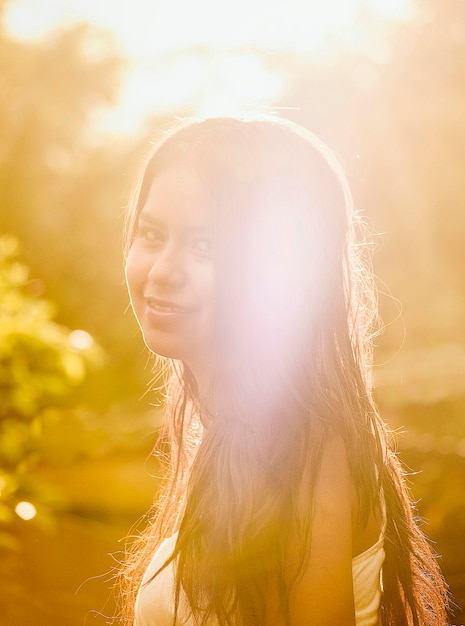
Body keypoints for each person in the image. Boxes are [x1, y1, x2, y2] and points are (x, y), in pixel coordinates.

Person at [119, 116, 448, 625]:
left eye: (205, 246)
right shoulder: (231, 432)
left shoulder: (300, 443)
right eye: (152, 233)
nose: (163, 270)